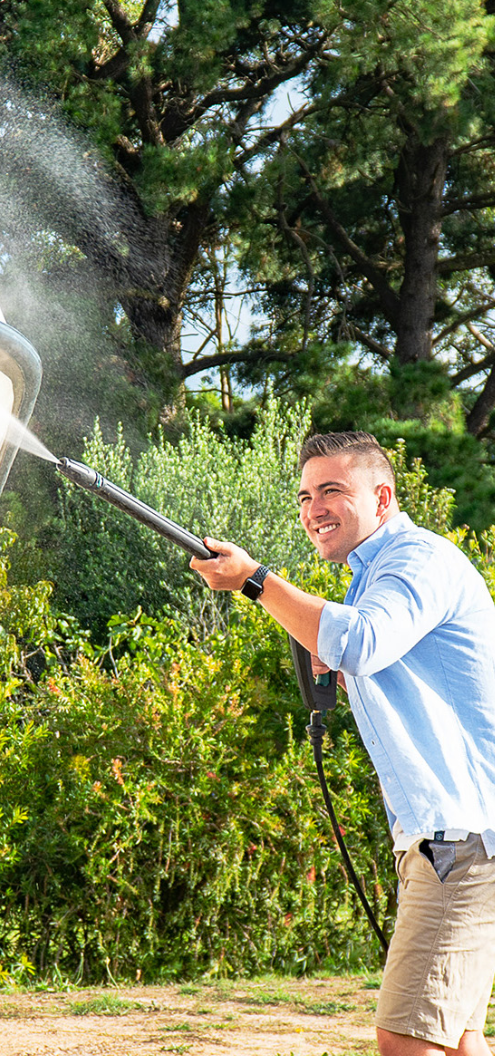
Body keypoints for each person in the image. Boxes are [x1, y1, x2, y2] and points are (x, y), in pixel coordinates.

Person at [190, 430, 495, 1056]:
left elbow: (361, 641)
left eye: (331, 490)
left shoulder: (415, 559)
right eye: (305, 497)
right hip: (456, 838)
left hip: (461, 839)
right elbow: (372, 648)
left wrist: (255, 580)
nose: (314, 509)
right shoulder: (375, 576)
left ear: (382, 498)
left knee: (405, 1037)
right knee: (459, 1038)